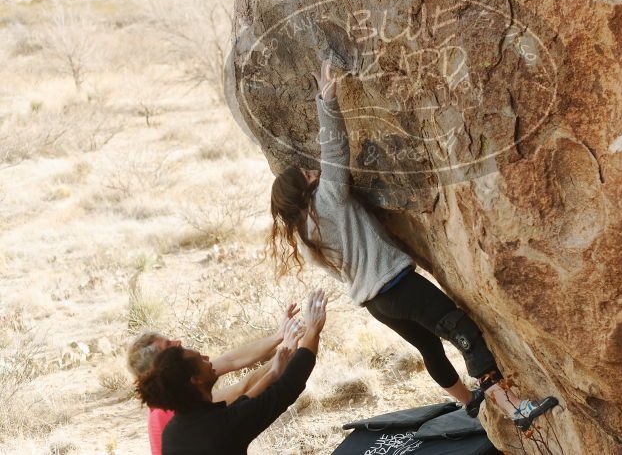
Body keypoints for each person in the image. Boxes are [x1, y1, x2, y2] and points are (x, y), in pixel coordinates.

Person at [268, 59, 558, 435]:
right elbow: (336, 153)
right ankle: (514, 407)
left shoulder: (307, 238)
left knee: (431, 348)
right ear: (304, 192)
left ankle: (470, 404)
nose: (317, 173)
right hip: (397, 286)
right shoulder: (327, 202)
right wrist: (326, 100)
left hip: (377, 304)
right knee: (460, 328)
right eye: (309, 176)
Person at [135, 290, 327, 455]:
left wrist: (273, 372)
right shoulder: (221, 429)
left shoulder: (174, 432)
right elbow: (288, 387)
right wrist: (313, 330)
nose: (208, 358)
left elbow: (238, 405)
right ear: (195, 379)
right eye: (201, 359)